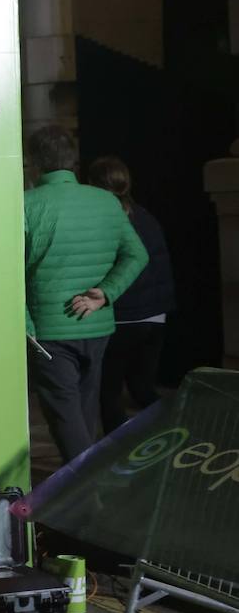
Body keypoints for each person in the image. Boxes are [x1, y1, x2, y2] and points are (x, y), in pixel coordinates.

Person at [24, 125, 148, 462]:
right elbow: (137, 255)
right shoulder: (106, 201)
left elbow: (9, 271)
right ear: (73, 163)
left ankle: (87, 494)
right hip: (97, 325)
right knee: (84, 412)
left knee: (66, 420)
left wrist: (25, 324)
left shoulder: (25, 205)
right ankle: (84, 485)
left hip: (49, 330)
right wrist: (105, 294)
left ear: (34, 164)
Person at [87, 156, 176, 432]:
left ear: (92, 185)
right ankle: (174, 431)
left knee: (109, 392)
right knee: (142, 388)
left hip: (124, 318)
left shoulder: (105, 221)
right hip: (156, 316)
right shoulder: (145, 216)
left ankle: (116, 454)